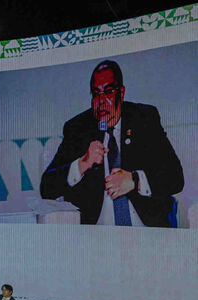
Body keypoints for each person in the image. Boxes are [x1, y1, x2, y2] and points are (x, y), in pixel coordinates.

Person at [40, 60, 183, 227]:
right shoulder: (78, 128)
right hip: (99, 236)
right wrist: (82, 163)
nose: (101, 101)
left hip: (146, 231)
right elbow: (47, 188)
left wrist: (135, 180)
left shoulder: (144, 119)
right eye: (95, 93)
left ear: (121, 93)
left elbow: (175, 177)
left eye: (108, 92)